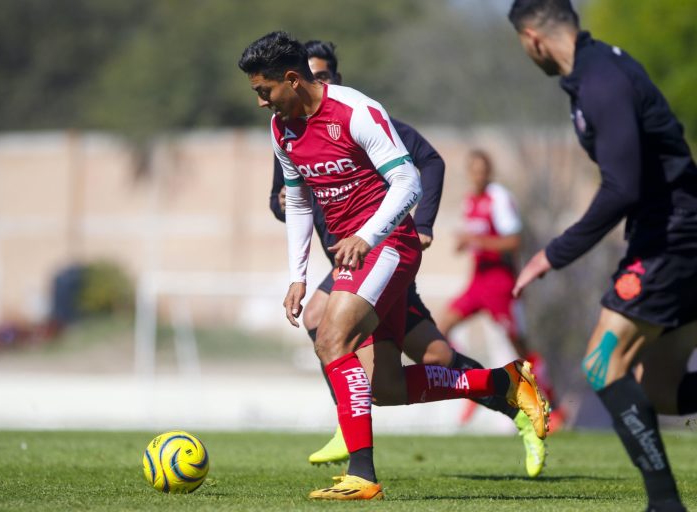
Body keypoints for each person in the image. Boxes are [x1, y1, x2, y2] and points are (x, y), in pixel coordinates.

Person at [239, 31, 549, 500]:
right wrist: (297, 277)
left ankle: (362, 476)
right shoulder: (282, 129)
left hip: (388, 245)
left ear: (292, 79)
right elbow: (298, 202)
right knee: (384, 387)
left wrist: (366, 236)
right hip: (356, 257)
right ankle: (504, 382)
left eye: (265, 90)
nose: (261, 102)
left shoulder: (355, 111)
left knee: (330, 338)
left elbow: (408, 181)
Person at [508, 1, 697, 510]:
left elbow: (621, 189)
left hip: (673, 237)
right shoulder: (597, 70)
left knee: (601, 364)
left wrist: (553, 254)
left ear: (533, 38)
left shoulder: (601, 81)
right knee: (658, 389)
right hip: (672, 235)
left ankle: (665, 505)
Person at [437, 149, 562, 428]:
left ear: (489, 172)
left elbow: (514, 241)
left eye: (482, 170)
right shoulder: (470, 201)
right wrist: (465, 243)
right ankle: (470, 382)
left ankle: (552, 403)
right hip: (477, 281)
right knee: (440, 327)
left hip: (501, 283)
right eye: (473, 171)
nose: (478, 175)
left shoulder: (499, 198)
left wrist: (477, 240)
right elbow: (472, 238)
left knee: (519, 347)